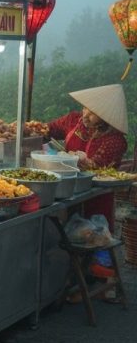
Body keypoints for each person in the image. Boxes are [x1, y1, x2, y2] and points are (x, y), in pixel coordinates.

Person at [47, 83, 129, 236]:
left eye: (93, 113)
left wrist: (80, 159)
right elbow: (49, 129)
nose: (85, 115)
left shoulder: (116, 140)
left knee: (94, 238)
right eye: (85, 108)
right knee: (66, 235)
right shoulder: (74, 120)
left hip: (96, 197)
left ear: (105, 117)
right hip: (68, 190)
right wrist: (30, 128)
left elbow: (96, 167)